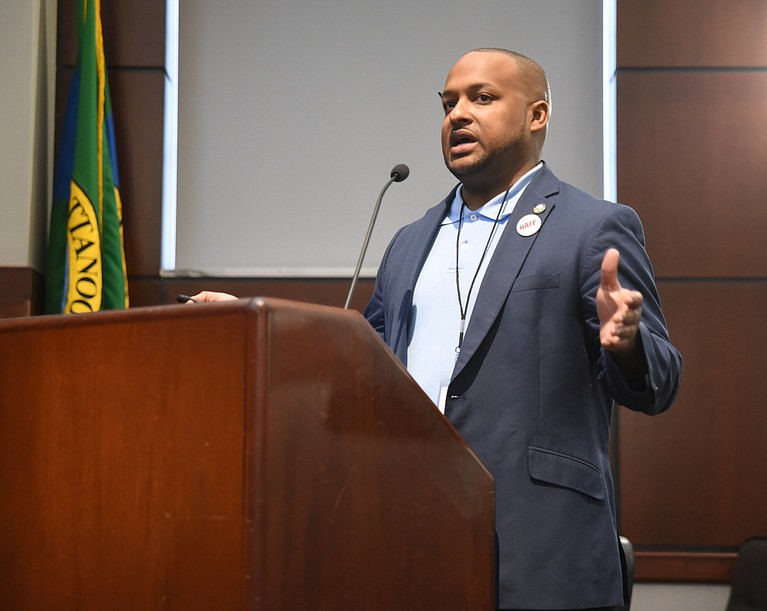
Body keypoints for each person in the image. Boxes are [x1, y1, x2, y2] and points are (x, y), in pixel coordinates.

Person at [191, 47, 682, 611]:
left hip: (541, 549)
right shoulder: (409, 240)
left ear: (537, 115)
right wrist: (263, 320)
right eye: (448, 102)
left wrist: (626, 343)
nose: (457, 114)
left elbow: (661, 382)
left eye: (482, 97)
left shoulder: (591, 225)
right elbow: (360, 361)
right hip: (412, 541)